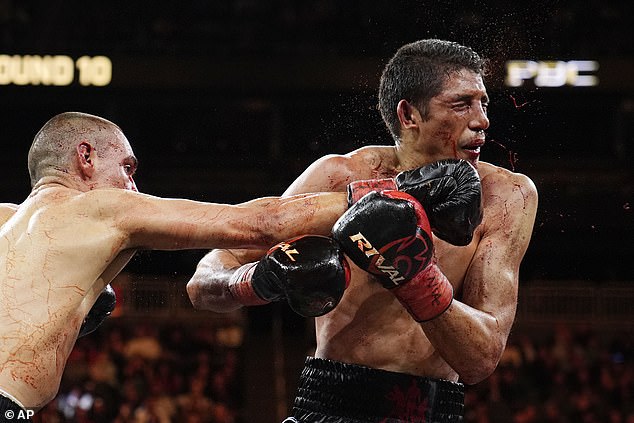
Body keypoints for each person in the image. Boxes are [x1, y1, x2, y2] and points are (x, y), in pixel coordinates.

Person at [187, 39, 538, 422]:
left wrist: (413, 276)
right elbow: (203, 282)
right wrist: (256, 280)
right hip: (330, 404)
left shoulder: (506, 195)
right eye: (461, 103)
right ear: (409, 115)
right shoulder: (341, 177)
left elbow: (481, 358)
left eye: (483, 103)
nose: (482, 119)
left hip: (436, 410)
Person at [0, 111, 361, 417]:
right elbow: (262, 223)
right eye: (127, 168)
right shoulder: (102, 208)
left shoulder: (6, 221)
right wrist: (385, 192)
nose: (133, 188)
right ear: (86, 156)